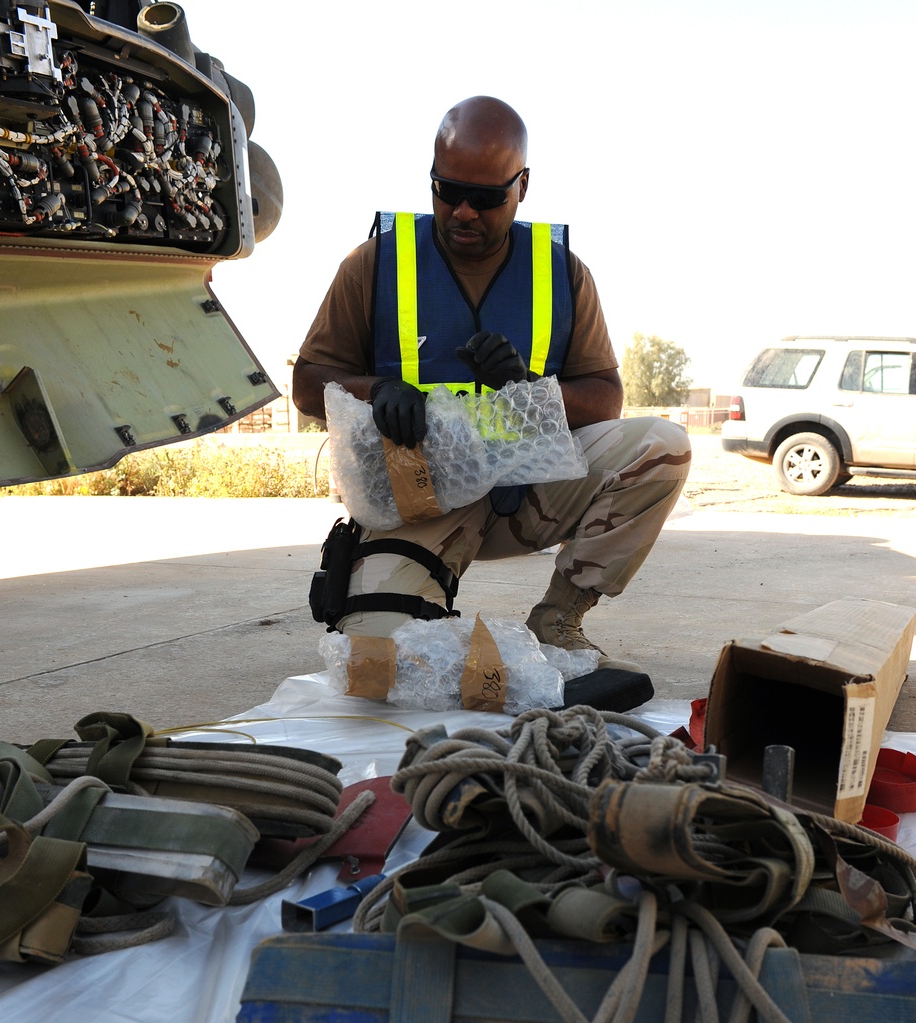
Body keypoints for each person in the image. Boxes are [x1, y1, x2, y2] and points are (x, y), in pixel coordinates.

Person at [293, 95, 691, 678]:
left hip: (524, 496)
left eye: (485, 199)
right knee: (377, 670)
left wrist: (530, 386)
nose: (463, 214)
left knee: (662, 444)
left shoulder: (563, 273)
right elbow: (307, 384)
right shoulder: (375, 262)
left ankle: (559, 619)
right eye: (447, 192)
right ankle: (410, 594)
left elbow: (606, 398)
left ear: (522, 186)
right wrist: (377, 389)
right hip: (417, 500)